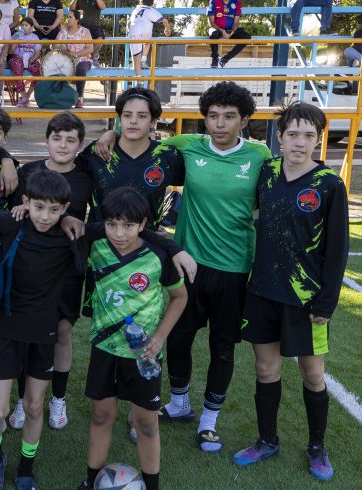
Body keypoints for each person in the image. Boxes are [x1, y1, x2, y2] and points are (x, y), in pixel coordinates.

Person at [94, 82, 273, 454]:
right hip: (187, 263)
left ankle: (209, 422)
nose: (219, 124)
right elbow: (138, 130)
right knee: (178, 337)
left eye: (228, 117)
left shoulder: (259, 156)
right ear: (203, 118)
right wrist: (111, 130)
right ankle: (178, 402)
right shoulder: (187, 147)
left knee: (223, 347)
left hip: (234, 268)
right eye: (212, 116)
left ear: (244, 119)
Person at [0, 170, 88, 490]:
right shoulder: (12, 223)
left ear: (65, 207)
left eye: (54, 209)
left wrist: (175, 251)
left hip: (43, 335)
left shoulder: (72, 232)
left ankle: (25, 469)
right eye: (38, 207)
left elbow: (128, 228)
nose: (45, 216)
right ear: (25, 202)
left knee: (35, 406)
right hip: (6, 330)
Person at [232, 102, 348, 482]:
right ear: (279, 137)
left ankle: (317, 445)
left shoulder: (329, 185)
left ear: (319, 139)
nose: (300, 142)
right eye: (293, 134)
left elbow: (337, 250)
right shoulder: (266, 172)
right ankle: (267, 440)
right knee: (266, 369)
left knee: (313, 375)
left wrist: (327, 302)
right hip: (263, 291)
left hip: (306, 299)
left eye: (309, 136)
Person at [75, 187, 188, 490]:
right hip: (105, 348)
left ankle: (152, 485)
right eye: (112, 224)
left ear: (142, 225)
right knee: (101, 416)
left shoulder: (158, 256)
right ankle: (90, 481)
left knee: (147, 423)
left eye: (128, 225)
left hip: (143, 354)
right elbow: (72, 226)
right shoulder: (95, 246)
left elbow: (179, 297)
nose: (119, 233)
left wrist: (161, 335)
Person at [7, 112, 94, 432]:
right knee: (26, 333)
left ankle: (58, 398)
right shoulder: (29, 171)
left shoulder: (87, 173)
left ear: (79, 144)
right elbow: (17, 210)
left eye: (71, 140)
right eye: (57, 138)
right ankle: (21, 399)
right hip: (29, 267)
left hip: (68, 267)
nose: (63, 144)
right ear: (47, 139)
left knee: (62, 332)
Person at [80, 86, 184, 229]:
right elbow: (69, 179)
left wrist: (173, 230)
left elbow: (197, 189)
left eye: (142, 116)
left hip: (147, 246)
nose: (133, 121)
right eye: (127, 115)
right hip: (100, 246)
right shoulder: (98, 151)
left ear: (153, 122)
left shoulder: (167, 156)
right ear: (120, 120)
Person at [56, 10, 95, 108]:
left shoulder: (85, 31)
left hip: (83, 59)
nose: (67, 19)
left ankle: (79, 98)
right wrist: (62, 47)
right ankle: (60, 99)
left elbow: (90, 48)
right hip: (65, 60)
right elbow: (55, 45)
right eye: (67, 17)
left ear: (77, 19)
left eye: (70, 17)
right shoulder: (63, 32)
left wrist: (76, 54)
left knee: (81, 69)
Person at [128, 0, 171, 79]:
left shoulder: (135, 10)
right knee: (147, 42)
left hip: (134, 32)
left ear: (141, 2)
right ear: (152, 4)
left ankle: (139, 82)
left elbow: (129, 23)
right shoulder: (149, 9)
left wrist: (129, 32)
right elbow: (164, 20)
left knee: (136, 58)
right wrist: (167, 29)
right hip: (145, 32)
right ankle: (143, 61)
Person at [9, 17, 42, 107]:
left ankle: (28, 95)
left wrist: (34, 58)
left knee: (38, 70)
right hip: (17, 58)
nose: (23, 27)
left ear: (31, 27)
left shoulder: (35, 37)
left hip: (30, 59)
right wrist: (14, 42)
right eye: (22, 25)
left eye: (26, 25)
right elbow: (11, 52)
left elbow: (38, 53)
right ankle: (23, 95)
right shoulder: (16, 35)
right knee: (17, 66)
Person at [208, 0, 251, 68]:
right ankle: (215, 58)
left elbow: (236, 22)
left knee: (246, 37)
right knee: (213, 34)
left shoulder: (236, 2)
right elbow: (212, 22)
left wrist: (232, 31)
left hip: (230, 30)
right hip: (217, 29)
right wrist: (221, 30)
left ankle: (225, 59)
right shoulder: (213, 1)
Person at [71, 0, 106, 66]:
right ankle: (84, 57)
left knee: (100, 39)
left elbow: (103, 7)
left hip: (94, 26)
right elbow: (71, 9)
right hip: (80, 26)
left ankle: (92, 57)